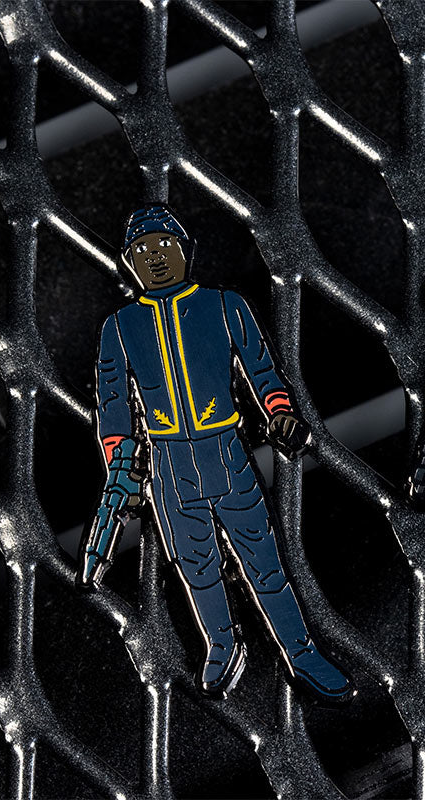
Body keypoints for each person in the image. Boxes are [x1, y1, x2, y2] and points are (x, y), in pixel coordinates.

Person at [78, 204, 353, 700]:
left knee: (264, 561)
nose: (155, 256)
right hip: (167, 465)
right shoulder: (119, 326)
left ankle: (301, 651)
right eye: (142, 249)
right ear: (128, 262)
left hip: (226, 452)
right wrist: (120, 464)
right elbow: (112, 403)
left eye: (165, 244)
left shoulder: (225, 306)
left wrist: (280, 412)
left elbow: (263, 371)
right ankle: (221, 645)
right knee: (195, 568)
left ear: (185, 250)